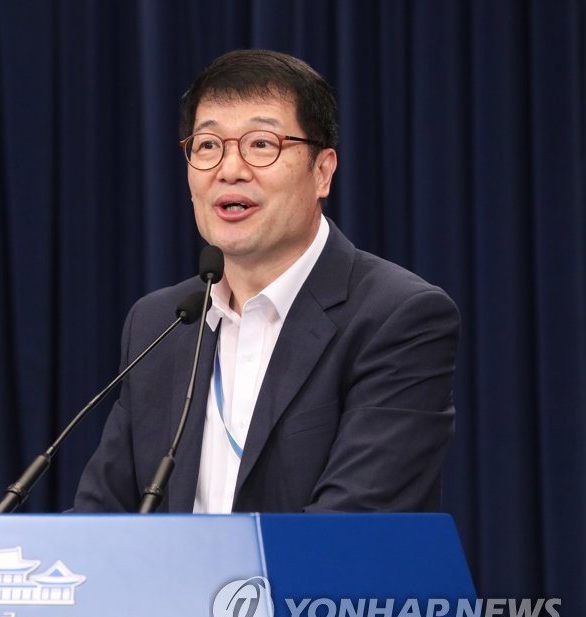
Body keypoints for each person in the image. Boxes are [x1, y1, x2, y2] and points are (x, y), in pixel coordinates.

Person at [72, 49, 460, 513]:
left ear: (322, 172)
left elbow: (352, 528)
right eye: (208, 146)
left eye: (261, 144)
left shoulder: (396, 317)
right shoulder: (161, 321)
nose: (230, 170)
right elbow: (102, 519)